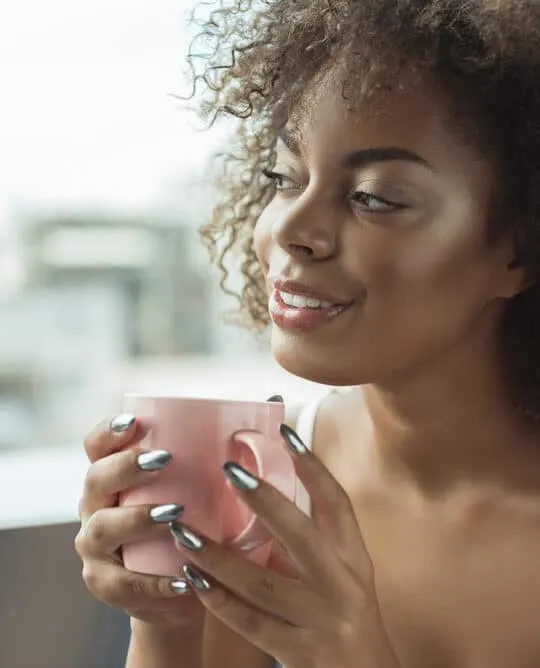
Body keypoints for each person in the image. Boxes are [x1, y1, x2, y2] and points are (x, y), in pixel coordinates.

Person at [75, 0, 540, 666]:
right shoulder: (272, 479)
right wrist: (164, 623)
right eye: (284, 177)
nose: (291, 228)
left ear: (518, 251)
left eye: (374, 196)